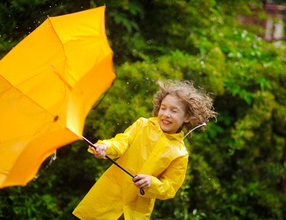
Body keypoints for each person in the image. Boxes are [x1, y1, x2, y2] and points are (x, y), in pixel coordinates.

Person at [73, 80, 217, 220]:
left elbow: (169, 188)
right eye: (163, 108)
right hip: (108, 198)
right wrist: (105, 147)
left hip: (135, 212)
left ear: (187, 117)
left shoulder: (180, 153)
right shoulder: (142, 125)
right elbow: (122, 142)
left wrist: (151, 183)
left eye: (174, 111)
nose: (166, 114)